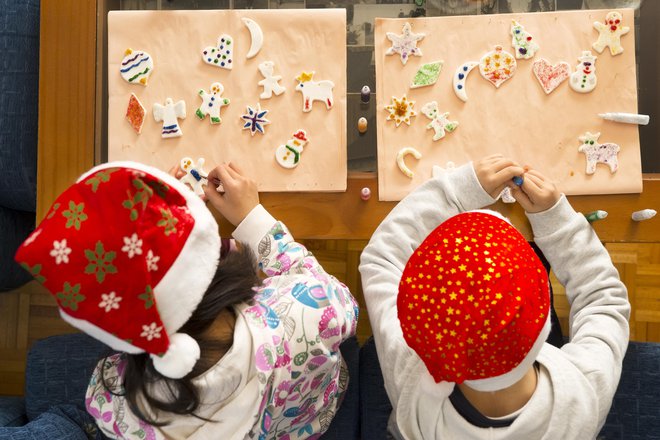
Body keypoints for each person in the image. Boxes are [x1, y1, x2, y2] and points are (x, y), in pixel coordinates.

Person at [14, 161, 358, 439]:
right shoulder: (307, 312)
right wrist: (253, 218)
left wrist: (152, 224)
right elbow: (337, 298)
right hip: (311, 411)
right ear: (221, 262)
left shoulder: (115, 404)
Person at [359, 154, 630, 439]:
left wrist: (457, 192)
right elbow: (603, 301)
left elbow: (381, 259)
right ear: (544, 318)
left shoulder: (412, 381)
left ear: (414, 329)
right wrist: (556, 221)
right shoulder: (583, 394)